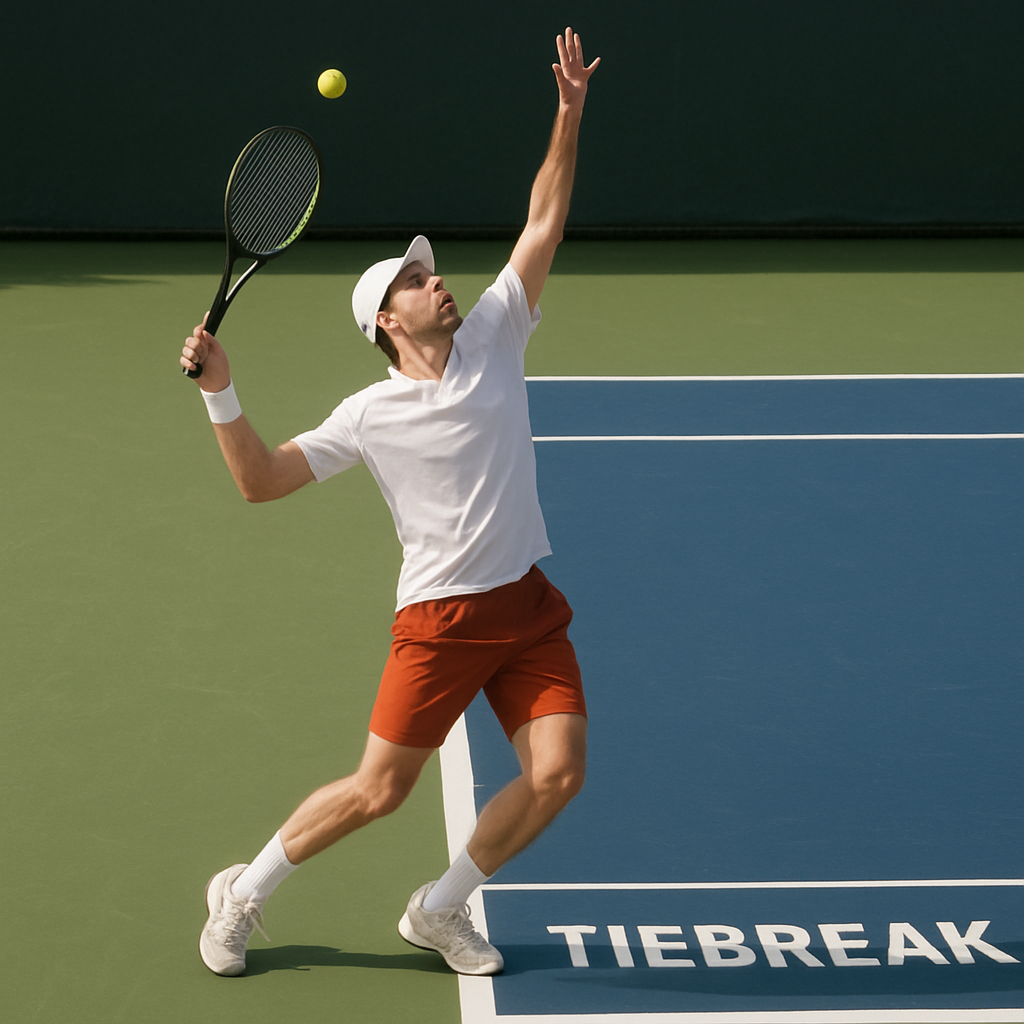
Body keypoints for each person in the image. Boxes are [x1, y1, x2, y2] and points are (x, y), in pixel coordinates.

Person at [182, 27, 600, 979]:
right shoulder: (368, 413)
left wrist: (568, 115)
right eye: (415, 279)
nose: (436, 280)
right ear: (385, 319)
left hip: (527, 608)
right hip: (442, 619)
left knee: (560, 773)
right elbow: (261, 481)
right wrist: (221, 390)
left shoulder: (497, 331)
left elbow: (542, 222)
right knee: (380, 791)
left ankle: (440, 908)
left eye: (433, 270)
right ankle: (242, 893)